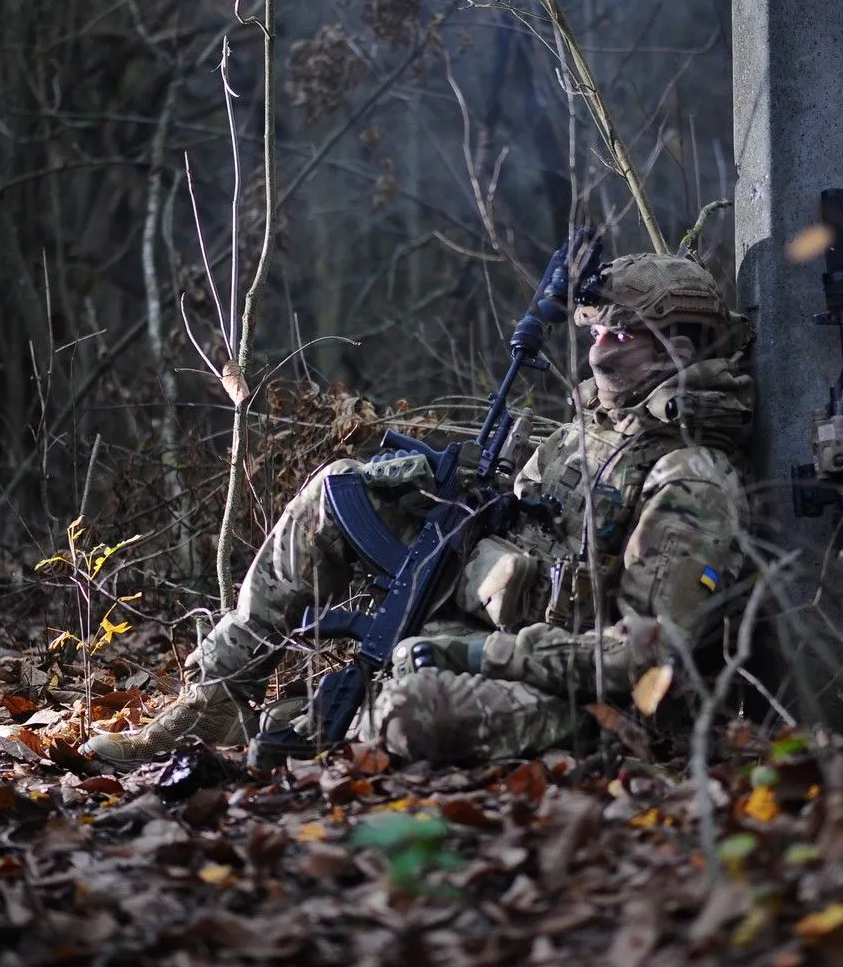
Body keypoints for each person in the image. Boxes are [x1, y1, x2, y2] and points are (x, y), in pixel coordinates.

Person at [82, 252, 755, 767]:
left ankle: (309, 721)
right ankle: (214, 700)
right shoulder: (585, 435)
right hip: (486, 627)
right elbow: (520, 526)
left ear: (681, 348)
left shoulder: (690, 477)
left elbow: (645, 658)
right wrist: (447, 495)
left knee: (412, 707)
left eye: (623, 331)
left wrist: (478, 651)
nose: (600, 343)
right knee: (339, 490)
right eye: (599, 327)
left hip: (585, 702)